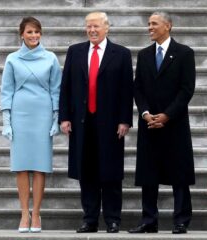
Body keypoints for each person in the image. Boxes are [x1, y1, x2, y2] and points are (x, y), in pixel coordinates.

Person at [58, 11, 133, 233]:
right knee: (87, 171)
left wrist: (124, 120)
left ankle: (112, 219)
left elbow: (126, 90)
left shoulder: (121, 54)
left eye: (96, 26)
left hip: (110, 123)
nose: (91, 30)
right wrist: (64, 117)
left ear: (107, 28)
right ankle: (90, 219)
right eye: (88, 26)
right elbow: (66, 87)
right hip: (82, 122)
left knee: (110, 172)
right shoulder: (75, 51)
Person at [128, 12, 195, 234]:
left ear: (168, 26)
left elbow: (186, 89)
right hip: (149, 123)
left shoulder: (184, 53)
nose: (150, 27)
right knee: (149, 173)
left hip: (174, 123)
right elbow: (138, 87)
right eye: (148, 24)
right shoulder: (145, 54)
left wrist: (167, 115)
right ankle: (149, 220)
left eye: (154, 24)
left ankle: (181, 220)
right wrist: (146, 113)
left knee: (179, 173)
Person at [0, 16, 62, 233]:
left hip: (42, 114)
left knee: (39, 166)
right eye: (29, 32)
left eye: (37, 32)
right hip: (20, 114)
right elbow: (6, 91)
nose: (34, 36)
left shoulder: (50, 58)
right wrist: (7, 121)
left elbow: (57, 89)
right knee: (21, 166)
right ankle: (24, 213)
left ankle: (36, 213)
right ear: (21, 35)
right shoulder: (12, 59)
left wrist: (56, 118)